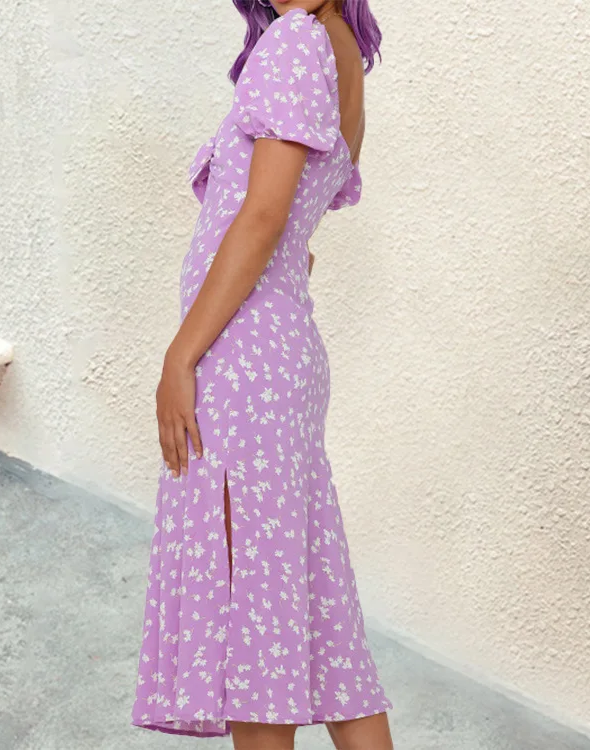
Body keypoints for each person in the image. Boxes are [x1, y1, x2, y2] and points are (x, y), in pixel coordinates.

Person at [131, 2, 394, 748]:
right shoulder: (342, 53)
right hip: (280, 359)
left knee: (253, 626)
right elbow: (293, 225)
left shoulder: (294, 42)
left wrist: (180, 356)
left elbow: (264, 215)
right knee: (320, 628)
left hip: (242, 365)